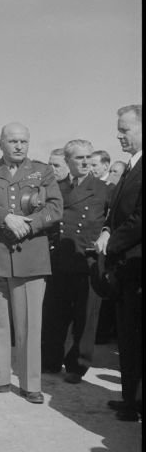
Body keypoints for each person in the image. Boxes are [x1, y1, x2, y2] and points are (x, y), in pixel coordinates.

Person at [0, 122, 62, 405]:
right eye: (12, 141)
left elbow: (55, 207)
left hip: (31, 257)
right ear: (0, 143)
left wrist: (30, 224)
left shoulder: (43, 171)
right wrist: (5, 218)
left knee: (29, 324)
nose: (19, 146)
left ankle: (30, 383)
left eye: (23, 141)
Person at [41, 140, 109, 383]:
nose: (85, 162)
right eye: (79, 158)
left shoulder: (103, 189)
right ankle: (49, 360)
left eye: (88, 157)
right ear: (68, 161)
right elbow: (47, 218)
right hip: (60, 259)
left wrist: (106, 233)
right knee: (54, 313)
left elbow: (115, 218)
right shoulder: (56, 187)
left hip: (86, 260)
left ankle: (77, 365)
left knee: (85, 317)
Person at [94, 104, 143, 422]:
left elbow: (142, 218)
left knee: (138, 336)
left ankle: (138, 402)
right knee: (128, 335)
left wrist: (111, 243)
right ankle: (130, 399)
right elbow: (120, 211)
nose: (119, 134)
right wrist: (108, 227)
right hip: (126, 264)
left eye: (125, 129)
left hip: (138, 264)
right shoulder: (132, 166)